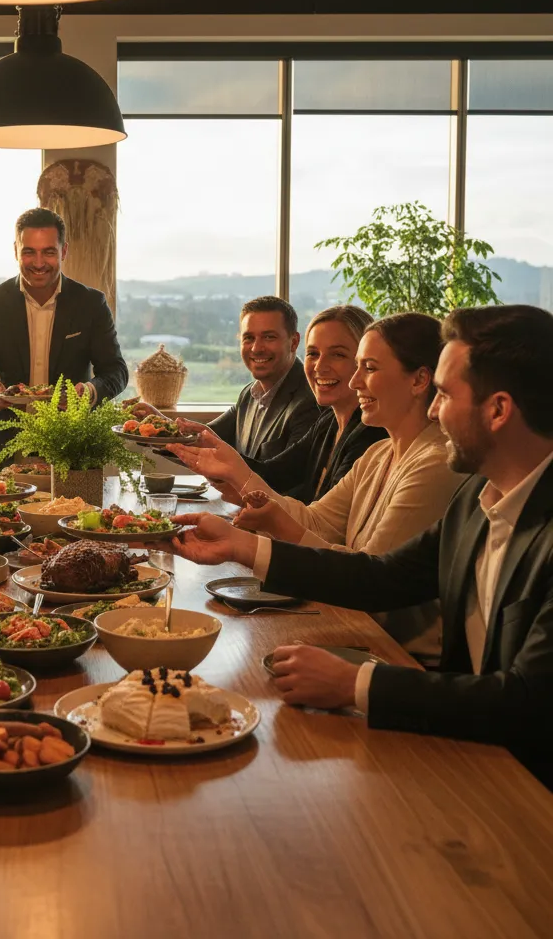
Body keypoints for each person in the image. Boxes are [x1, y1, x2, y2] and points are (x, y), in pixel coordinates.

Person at [164, 305, 553, 788]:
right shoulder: (478, 500)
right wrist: (242, 547)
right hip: (466, 749)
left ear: (498, 410)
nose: (434, 409)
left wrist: (356, 683)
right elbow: (382, 578)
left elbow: (527, 702)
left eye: (446, 395)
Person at [175, 313, 465, 663]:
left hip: (400, 656)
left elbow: (370, 579)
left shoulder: (434, 464)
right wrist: (241, 478)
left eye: (368, 368)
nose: (355, 381)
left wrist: (246, 540)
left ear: (420, 380)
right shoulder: (379, 453)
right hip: (358, 630)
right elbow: (315, 521)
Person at [145, 305, 386, 505]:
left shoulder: (369, 435)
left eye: (338, 355)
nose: (320, 366)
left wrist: (234, 480)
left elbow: (321, 519)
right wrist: (164, 431)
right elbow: (274, 473)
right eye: (313, 353)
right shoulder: (328, 423)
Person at [0, 207, 129, 466]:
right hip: (5, 448)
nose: (39, 263)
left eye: (49, 252)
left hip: (71, 449)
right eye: (29, 252)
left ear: (64, 251)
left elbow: (116, 371)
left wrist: (89, 392)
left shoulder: (91, 303)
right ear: (16, 250)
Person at [206, 296, 319, 461]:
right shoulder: (248, 394)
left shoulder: (311, 402)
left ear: (294, 342)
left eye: (269, 337)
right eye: (249, 338)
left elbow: (284, 478)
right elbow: (201, 438)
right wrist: (158, 426)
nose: (257, 348)